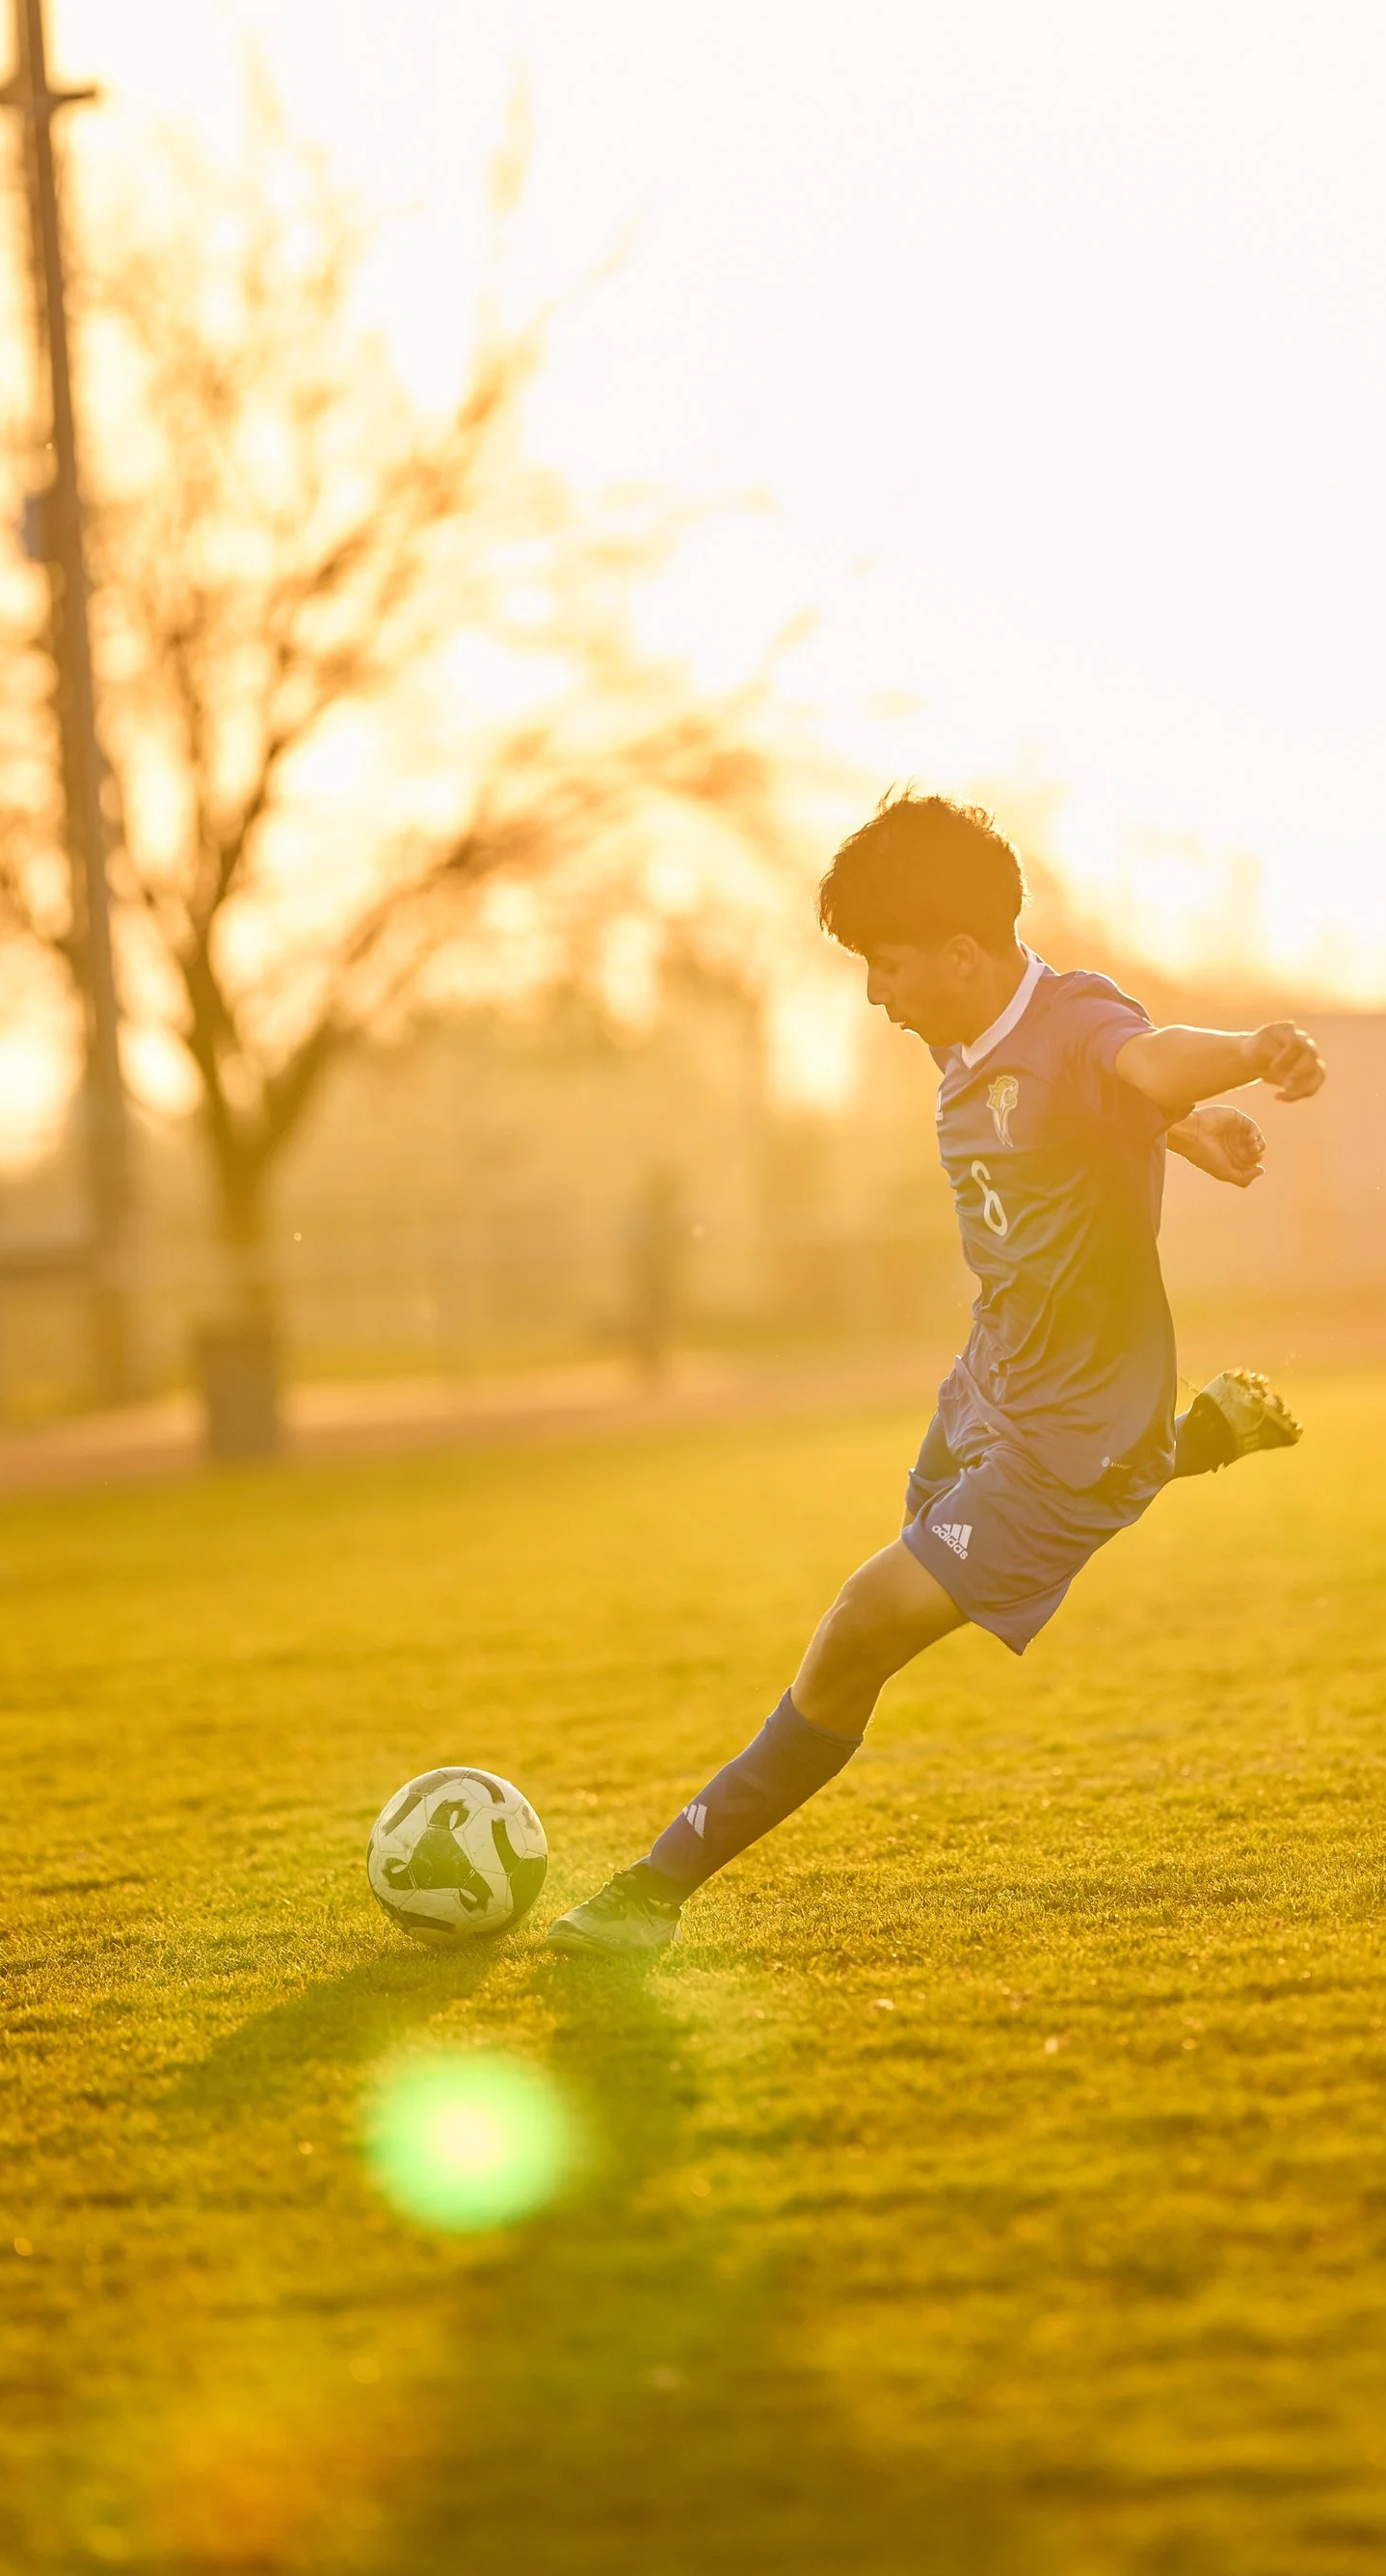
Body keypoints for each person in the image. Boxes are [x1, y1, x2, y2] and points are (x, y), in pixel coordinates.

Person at [549, 793, 1324, 1959]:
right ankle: (1194, 1439)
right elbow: (1099, 1103)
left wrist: (1243, 1062)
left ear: (963, 956)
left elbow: (1142, 1056)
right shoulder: (971, 1042)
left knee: (860, 1627)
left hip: (1067, 1435)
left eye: (888, 965)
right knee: (906, 1558)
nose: (875, 993)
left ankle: (650, 1895)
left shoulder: (1074, 1018)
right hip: (986, 1385)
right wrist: (1172, 1135)